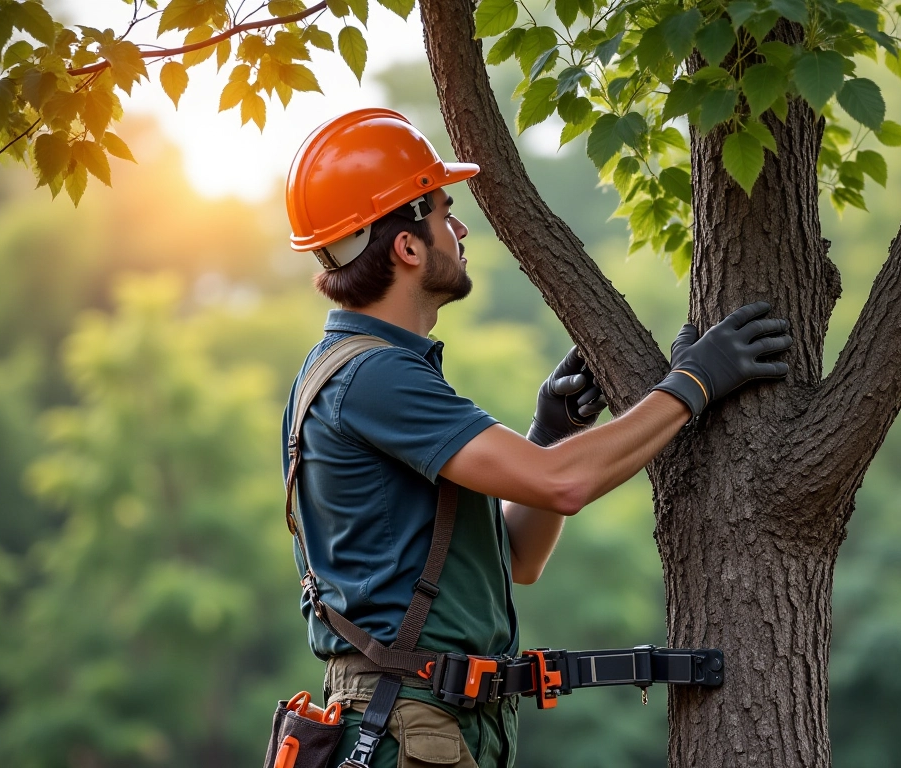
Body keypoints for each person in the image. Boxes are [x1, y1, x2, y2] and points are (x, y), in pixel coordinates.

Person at [281, 108, 792, 768]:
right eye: (442, 211)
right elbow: (565, 483)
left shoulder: (357, 369)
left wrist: (550, 432)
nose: (460, 228)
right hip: (408, 726)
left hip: (429, 725)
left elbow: (517, 558)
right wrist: (694, 384)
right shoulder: (374, 377)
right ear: (407, 246)